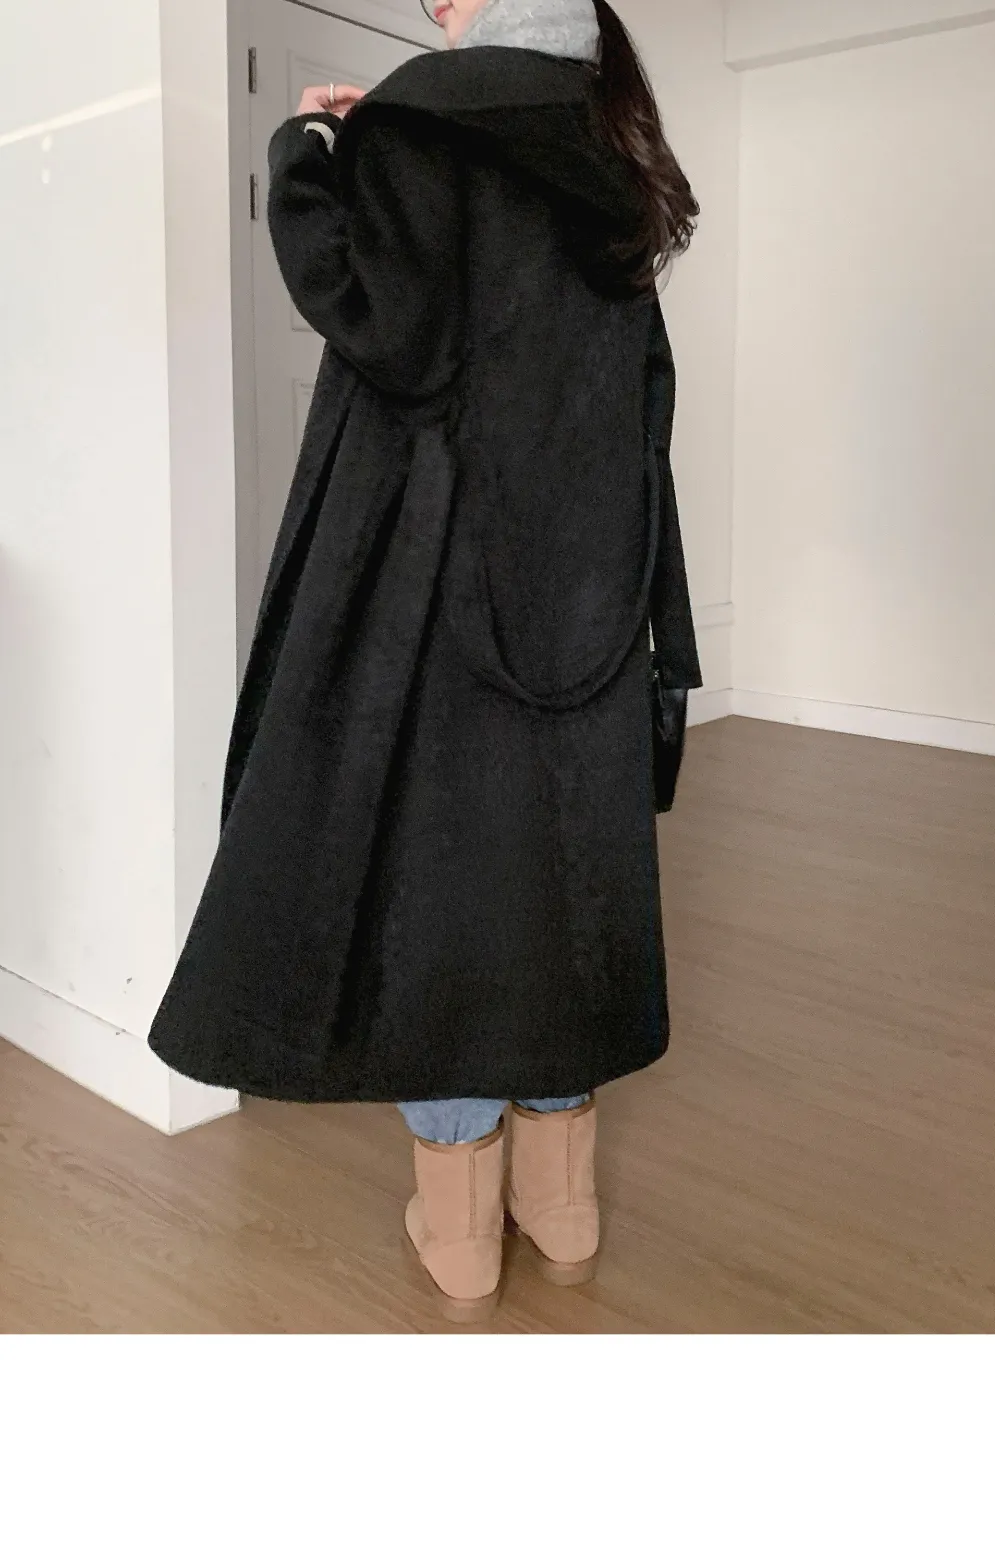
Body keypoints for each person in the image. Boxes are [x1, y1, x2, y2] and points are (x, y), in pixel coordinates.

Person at [148, 0, 701, 1321]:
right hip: (586, 582)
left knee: (445, 894)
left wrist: (307, 154)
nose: (434, 8)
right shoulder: (614, 146)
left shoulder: (430, 113)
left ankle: (459, 1230)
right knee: (560, 887)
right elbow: (640, 399)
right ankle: (562, 1209)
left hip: (438, 583)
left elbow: (382, 323)